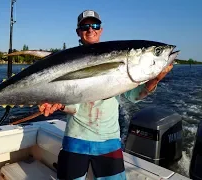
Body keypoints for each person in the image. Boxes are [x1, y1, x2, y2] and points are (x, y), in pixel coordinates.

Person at [38, 10, 173, 180]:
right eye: (85, 26)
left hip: (109, 141)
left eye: (95, 25)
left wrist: (154, 81)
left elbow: (132, 96)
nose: (90, 30)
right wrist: (60, 104)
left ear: (101, 30)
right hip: (75, 139)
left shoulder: (115, 55)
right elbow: (74, 102)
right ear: (78, 31)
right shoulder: (66, 59)